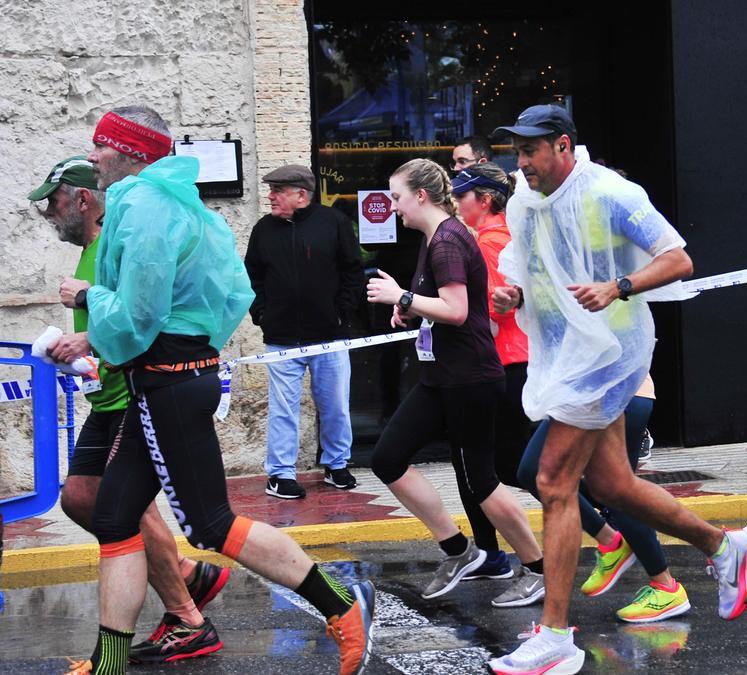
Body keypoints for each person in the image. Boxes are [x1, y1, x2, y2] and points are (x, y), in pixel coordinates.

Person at [59, 105, 373, 675]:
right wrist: (189, 348)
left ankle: (342, 607)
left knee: (211, 524)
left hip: (167, 382)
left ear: (127, 151)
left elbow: (139, 313)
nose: (94, 157)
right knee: (114, 516)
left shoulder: (146, 206)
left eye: (100, 146)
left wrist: (87, 298)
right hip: (173, 378)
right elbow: (233, 296)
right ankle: (109, 662)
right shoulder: (183, 203)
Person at [486, 104, 747, 675]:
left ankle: (556, 637)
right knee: (612, 483)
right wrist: (512, 294)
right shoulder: (524, 197)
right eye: (517, 151)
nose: (522, 162)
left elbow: (678, 258)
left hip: (610, 355)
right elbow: (527, 264)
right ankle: (723, 546)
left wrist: (619, 286)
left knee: (552, 479)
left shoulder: (611, 192)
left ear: (563, 145)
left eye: (531, 150)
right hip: (565, 353)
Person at [31, 156, 231, 665]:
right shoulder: (89, 251)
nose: (47, 213)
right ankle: (186, 579)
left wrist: (87, 345)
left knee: (123, 509)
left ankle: (183, 613)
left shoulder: (112, 249)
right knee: (83, 500)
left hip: (134, 393)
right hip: (109, 394)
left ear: (82, 199)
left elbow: (140, 320)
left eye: (53, 201)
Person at [365, 158, 545, 607]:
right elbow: (441, 305)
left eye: (398, 198)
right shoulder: (435, 237)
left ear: (421, 196)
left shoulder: (446, 240)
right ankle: (459, 550)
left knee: (482, 481)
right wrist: (408, 307)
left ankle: (539, 568)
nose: (393, 208)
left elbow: (458, 310)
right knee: (388, 458)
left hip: (468, 378)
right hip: (441, 376)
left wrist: (402, 296)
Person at [518, 373, 691, 623]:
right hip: (603, 394)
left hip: (601, 394)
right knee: (613, 492)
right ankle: (659, 577)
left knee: (610, 491)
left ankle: (681, 569)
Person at [245, 164, 363, 499]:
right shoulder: (263, 230)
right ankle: (280, 474)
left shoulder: (334, 223)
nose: (270, 196)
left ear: (301, 194)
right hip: (281, 338)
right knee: (283, 408)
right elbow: (251, 277)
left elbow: (353, 271)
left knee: (336, 404)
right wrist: (263, 315)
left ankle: (337, 465)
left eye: (278, 191)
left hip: (330, 336)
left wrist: (341, 313)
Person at [447, 163, 530, 588]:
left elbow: (499, 311)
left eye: (461, 196)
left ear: (485, 199)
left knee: (508, 468)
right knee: (491, 466)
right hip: (509, 363)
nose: (456, 204)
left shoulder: (488, 242)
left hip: (503, 364)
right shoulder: (499, 236)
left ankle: (606, 527)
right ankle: (491, 552)